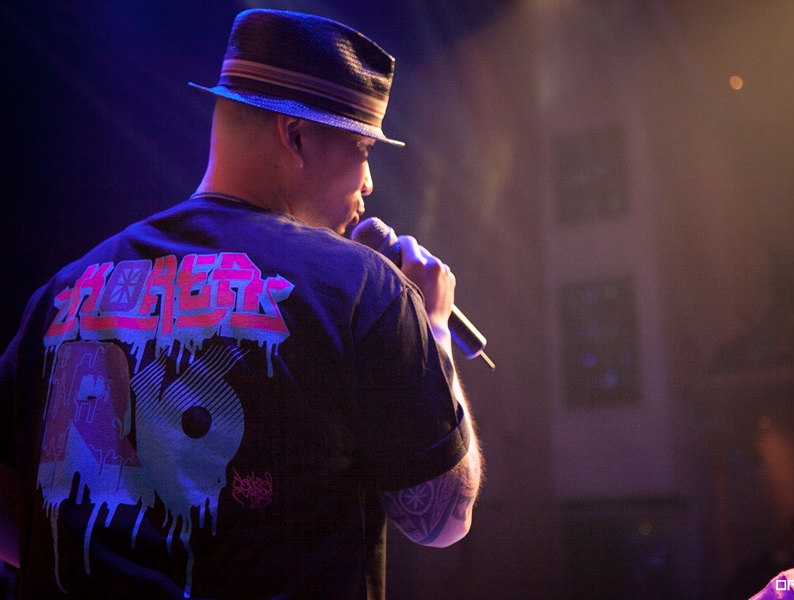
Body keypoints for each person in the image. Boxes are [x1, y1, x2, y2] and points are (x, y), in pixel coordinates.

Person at [0, 9, 482, 599]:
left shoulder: (63, 292)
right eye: (362, 148)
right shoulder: (363, 288)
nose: (369, 182)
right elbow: (442, 519)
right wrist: (432, 330)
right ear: (295, 136)